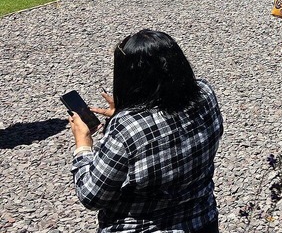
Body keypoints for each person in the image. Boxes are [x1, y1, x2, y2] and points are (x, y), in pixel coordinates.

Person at [69, 29, 223, 233]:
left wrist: (83, 145)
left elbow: (91, 196)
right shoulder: (205, 93)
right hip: (202, 222)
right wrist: (124, 113)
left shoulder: (127, 127)